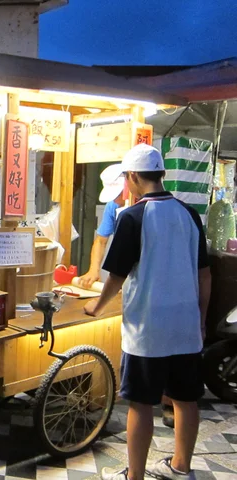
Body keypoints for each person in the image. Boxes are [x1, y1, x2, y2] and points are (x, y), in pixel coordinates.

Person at [84, 144, 211, 480]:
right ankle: (180, 467)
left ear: (134, 177)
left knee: (141, 403)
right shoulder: (189, 214)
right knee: (185, 400)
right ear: (162, 174)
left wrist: (96, 307)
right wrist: (199, 321)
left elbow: (116, 276)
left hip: (147, 330)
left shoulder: (133, 216)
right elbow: (204, 274)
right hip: (184, 327)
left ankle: (135, 476)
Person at [78, 163, 125, 289]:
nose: (115, 200)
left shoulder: (148, 207)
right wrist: (94, 270)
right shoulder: (112, 206)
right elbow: (100, 241)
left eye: (117, 195)